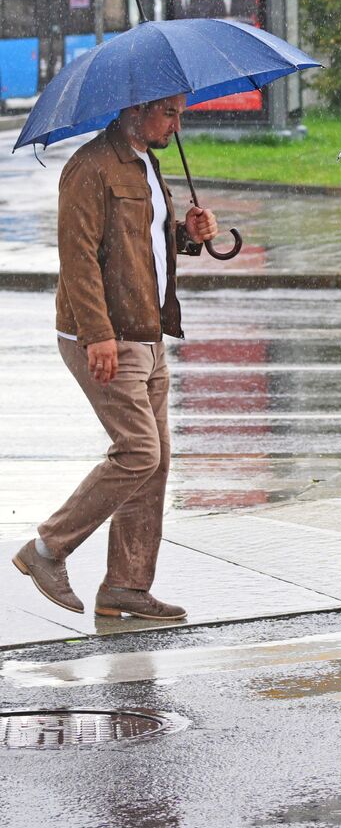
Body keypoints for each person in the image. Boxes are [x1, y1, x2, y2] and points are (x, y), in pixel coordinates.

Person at [11, 95, 218, 620]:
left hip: (148, 332)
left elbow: (139, 245)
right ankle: (46, 550)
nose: (178, 122)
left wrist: (186, 238)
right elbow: (77, 256)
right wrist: (96, 334)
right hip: (105, 336)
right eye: (169, 112)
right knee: (138, 452)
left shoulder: (147, 162)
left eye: (179, 112)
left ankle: (126, 585)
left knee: (157, 462)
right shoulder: (90, 166)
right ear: (135, 109)